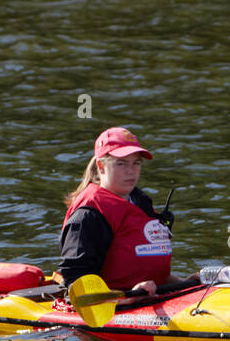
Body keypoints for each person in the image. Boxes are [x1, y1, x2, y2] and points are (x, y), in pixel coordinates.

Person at [56, 126, 195, 295]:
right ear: (101, 166)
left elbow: (148, 267)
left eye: (136, 163)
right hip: (116, 305)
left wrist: (185, 283)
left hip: (149, 296)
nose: (131, 171)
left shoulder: (140, 201)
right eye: (121, 163)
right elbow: (77, 283)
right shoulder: (88, 214)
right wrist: (128, 296)